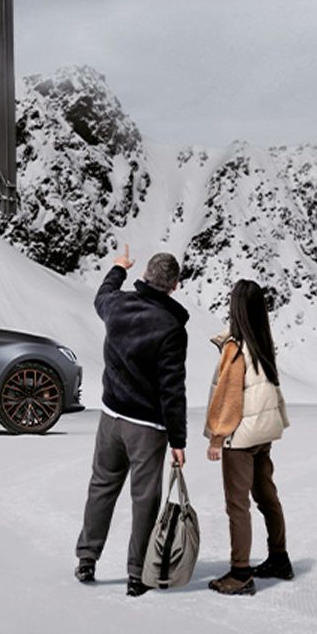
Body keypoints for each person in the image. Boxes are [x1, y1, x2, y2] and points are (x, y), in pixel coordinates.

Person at [75, 245, 188, 596]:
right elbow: (172, 390)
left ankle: (87, 559)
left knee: (102, 486)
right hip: (146, 428)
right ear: (174, 286)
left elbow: (102, 295)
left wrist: (118, 268)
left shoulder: (118, 305)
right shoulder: (171, 328)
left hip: (110, 417)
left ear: (145, 278)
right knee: (144, 499)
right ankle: (136, 574)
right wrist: (178, 440)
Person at [205, 279, 292, 595]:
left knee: (237, 505)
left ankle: (240, 574)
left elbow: (228, 397)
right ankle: (279, 558)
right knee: (266, 494)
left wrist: (217, 437)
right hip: (263, 433)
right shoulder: (262, 342)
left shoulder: (236, 347)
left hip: (240, 438)